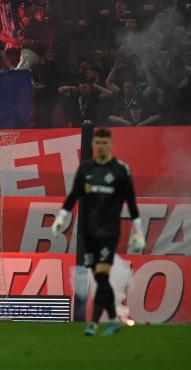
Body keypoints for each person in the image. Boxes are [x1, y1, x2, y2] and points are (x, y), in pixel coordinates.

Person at [52, 129, 145, 336]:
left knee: (101, 274)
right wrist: (60, 217)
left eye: (105, 142)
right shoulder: (85, 168)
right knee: (100, 278)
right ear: (94, 144)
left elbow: (131, 201)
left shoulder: (121, 170)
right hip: (89, 231)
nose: (101, 146)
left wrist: (138, 231)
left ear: (110, 144)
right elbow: (74, 195)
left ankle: (94, 323)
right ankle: (113, 319)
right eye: (98, 142)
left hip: (109, 231)